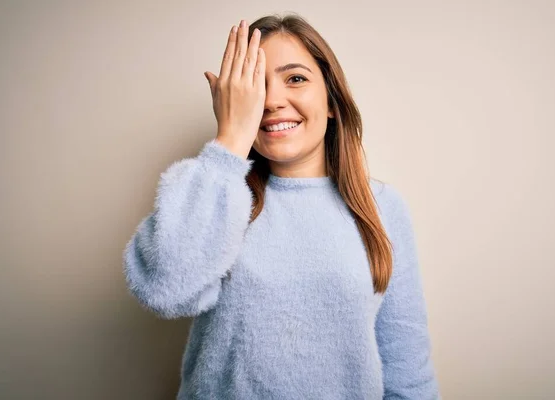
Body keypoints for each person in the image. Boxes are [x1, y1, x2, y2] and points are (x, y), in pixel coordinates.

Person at [123, 13, 441, 400]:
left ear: (331, 103)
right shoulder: (218, 193)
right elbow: (163, 289)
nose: (272, 100)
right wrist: (230, 140)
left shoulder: (384, 209)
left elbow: (407, 373)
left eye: (295, 79)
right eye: (257, 86)